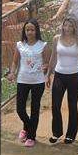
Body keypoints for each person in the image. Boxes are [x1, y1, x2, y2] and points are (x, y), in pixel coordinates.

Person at [7, 19, 49, 147]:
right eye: (27, 30)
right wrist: (12, 73)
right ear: (24, 31)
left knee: (35, 108)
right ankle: (27, 127)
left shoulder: (43, 45)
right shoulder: (20, 45)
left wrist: (45, 68)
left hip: (38, 81)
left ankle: (31, 136)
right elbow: (15, 62)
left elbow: (46, 63)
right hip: (22, 80)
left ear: (36, 31)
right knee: (20, 109)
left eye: (32, 30)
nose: (29, 32)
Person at [47, 16, 78, 144]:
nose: (67, 28)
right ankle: (57, 132)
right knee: (55, 105)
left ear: (75, 27)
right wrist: (48, 74)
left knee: (72, 105)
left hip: (75, 76)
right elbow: (53, 57)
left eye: (71, 26)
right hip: (59, 75)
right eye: (65, 25)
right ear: (62, 26)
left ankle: (71, 134)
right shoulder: (56, 39)